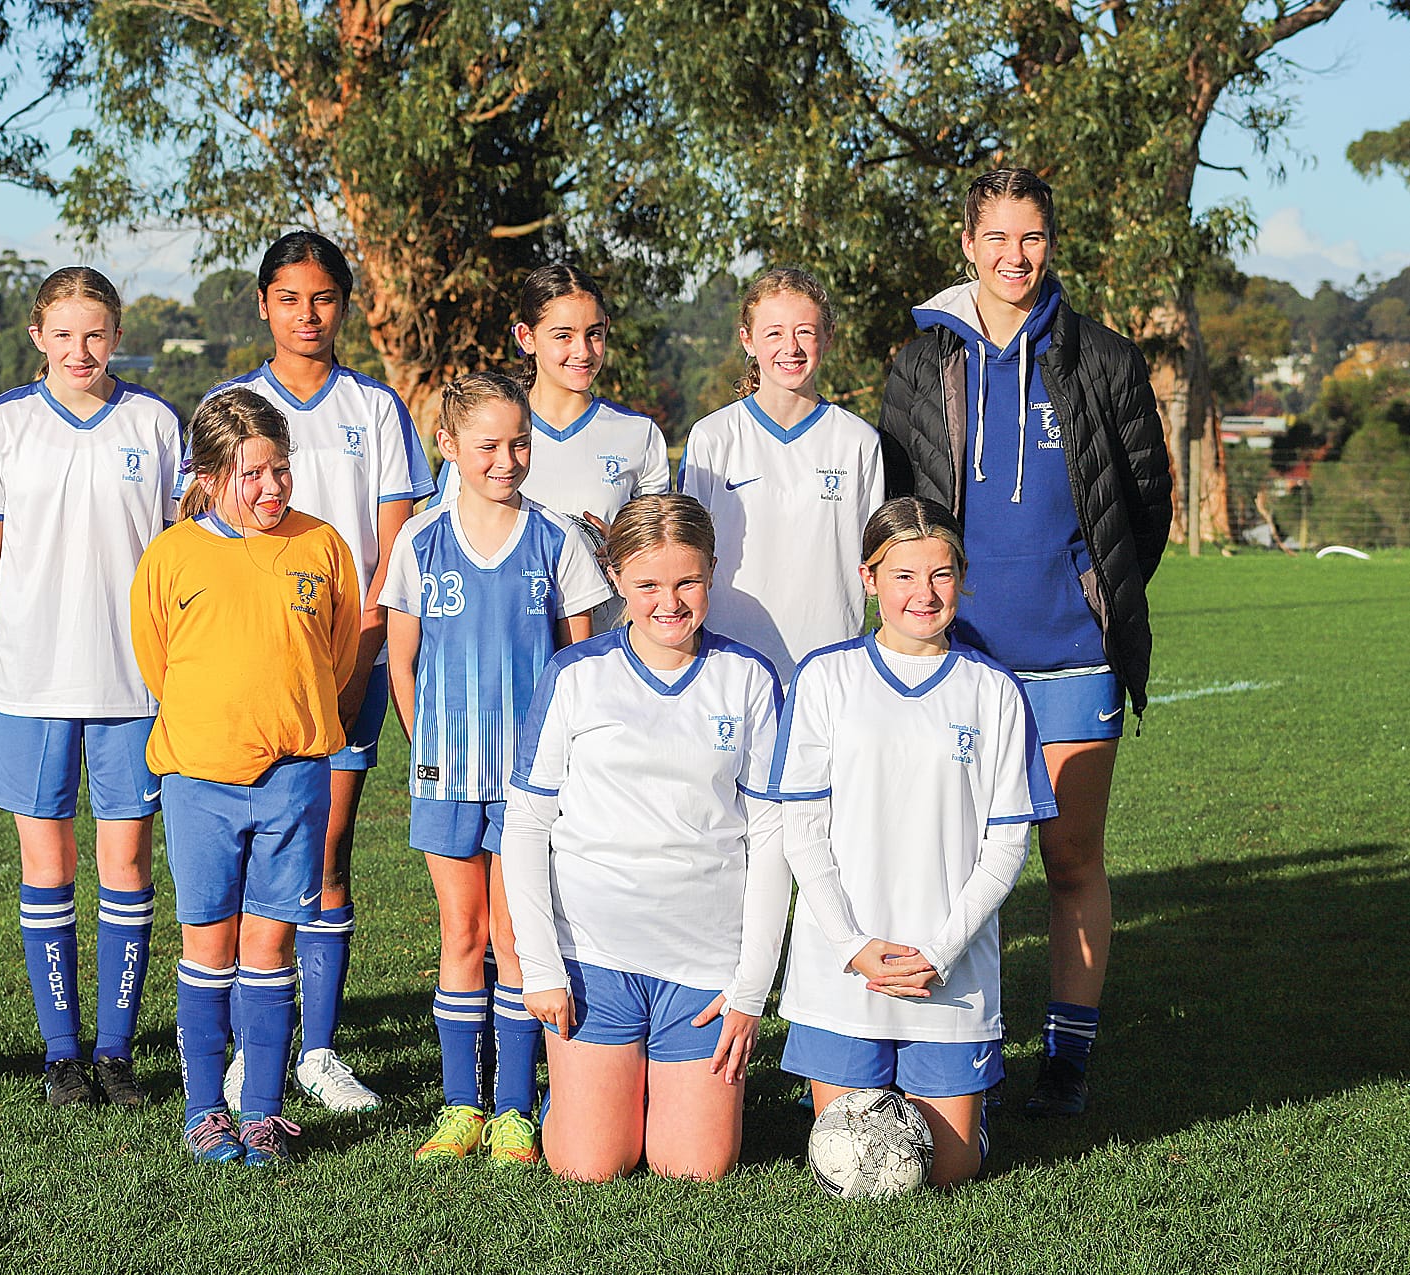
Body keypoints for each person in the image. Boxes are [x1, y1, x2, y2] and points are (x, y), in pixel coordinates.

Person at [877, 168, 1172, 1117]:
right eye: (997, 238)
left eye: (1032, 237)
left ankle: (1065, 1065)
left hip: (1072, 655)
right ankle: (964, 1049)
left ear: (1050, 242)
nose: (1015, 256)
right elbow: (897, 504)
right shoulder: (920, 360)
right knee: (958, 868)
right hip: (955, 661)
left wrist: (1092, 591)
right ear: (967, 244)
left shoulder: (1103, 358)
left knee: (1071, 861)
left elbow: (1144, 506)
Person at [198, 232, 437, 1113]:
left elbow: (394, 549)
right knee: (246, 859)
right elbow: (204, 538)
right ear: (263, 302)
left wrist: (355, 659)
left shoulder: (375, 408)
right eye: (290, 298)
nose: (307, 314)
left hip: (349, 662)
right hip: (249, 676)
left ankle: (319, 1051)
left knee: (326, 849)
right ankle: (244, 1047)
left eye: (324, 297)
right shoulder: (231, 407)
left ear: (345, 304)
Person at [502, 494, 790, 1182]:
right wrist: (541, 968)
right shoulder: (575, 675)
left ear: (713, 571)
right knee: (589, 1166)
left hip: (704, 965)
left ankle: (650, 1085)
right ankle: (588, 1089)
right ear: (615, 578)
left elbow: (771, 835)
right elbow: (526, 826)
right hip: (593, 958)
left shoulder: (749, 678)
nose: (669, 602)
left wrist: (750, 986)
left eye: (687, 581)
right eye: (648, 584)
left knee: (695, 1167)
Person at [772, 495, 1057, 1186]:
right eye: (902, 575)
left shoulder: (993, 689)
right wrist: (850, 945)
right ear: (868, 579)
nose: (923, 593)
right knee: (848, 1164)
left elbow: (1005, 847)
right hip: (845, 966)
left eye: (940, 574)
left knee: (948, 1171)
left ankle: (967, 1118)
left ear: (961, 577)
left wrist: (940, 950)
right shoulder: (824, 677)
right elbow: (802, 833)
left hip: (948, 970)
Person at [379, 371, 610, 1166]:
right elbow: (401, 663)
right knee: (461, 932)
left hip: (528, 785)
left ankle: (513, 1106)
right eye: (487, 445)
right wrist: (427, 748)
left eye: (519, 443)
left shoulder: (556, 539)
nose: (506, 460)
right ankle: (459, 1105)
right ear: (448, 445)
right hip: (447, 777)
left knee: (515, 938)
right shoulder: (420, 539)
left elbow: (579, 666)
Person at [0, 266, 180, 1108]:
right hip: (33, 682)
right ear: (38, 336)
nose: (79, 350)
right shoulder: (5, 424)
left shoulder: (153, 422)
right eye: (63, 334)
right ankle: (62, 1054)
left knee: (125, 862)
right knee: (45, 862)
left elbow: (173, 545)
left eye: (94, 334)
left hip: (132, 684)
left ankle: (115, 1051)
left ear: (117, 335)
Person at [131, 388, 359, 1166]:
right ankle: (204, 1111)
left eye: (279, 468)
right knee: (208, 945)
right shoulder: (171, 556)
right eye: (249, 474)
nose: (270, 487)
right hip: (199, 781)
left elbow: (336, 653)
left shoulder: (322, 546)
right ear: (205, 476)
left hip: (294, 778)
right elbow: (157, 660)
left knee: (269, 944)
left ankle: (261, 1112)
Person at [435, 265, 671, 632]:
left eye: (594, 334)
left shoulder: (638, 434)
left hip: (605, 644)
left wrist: (626, 550)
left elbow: (664, 553)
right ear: (526, 337)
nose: (582, 351)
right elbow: (445, 542)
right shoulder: (485, 433)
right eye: (564, 335)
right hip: (508, 640)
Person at [678, 266, 883, 686]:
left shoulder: (859, 441)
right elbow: (685, 553)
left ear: (828, 337)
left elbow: (876, 562)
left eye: (805, 332)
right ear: (747, 340)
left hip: (830, 669)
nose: (791, 347)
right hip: (728, 667)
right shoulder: (713, 437)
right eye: (774, 333)